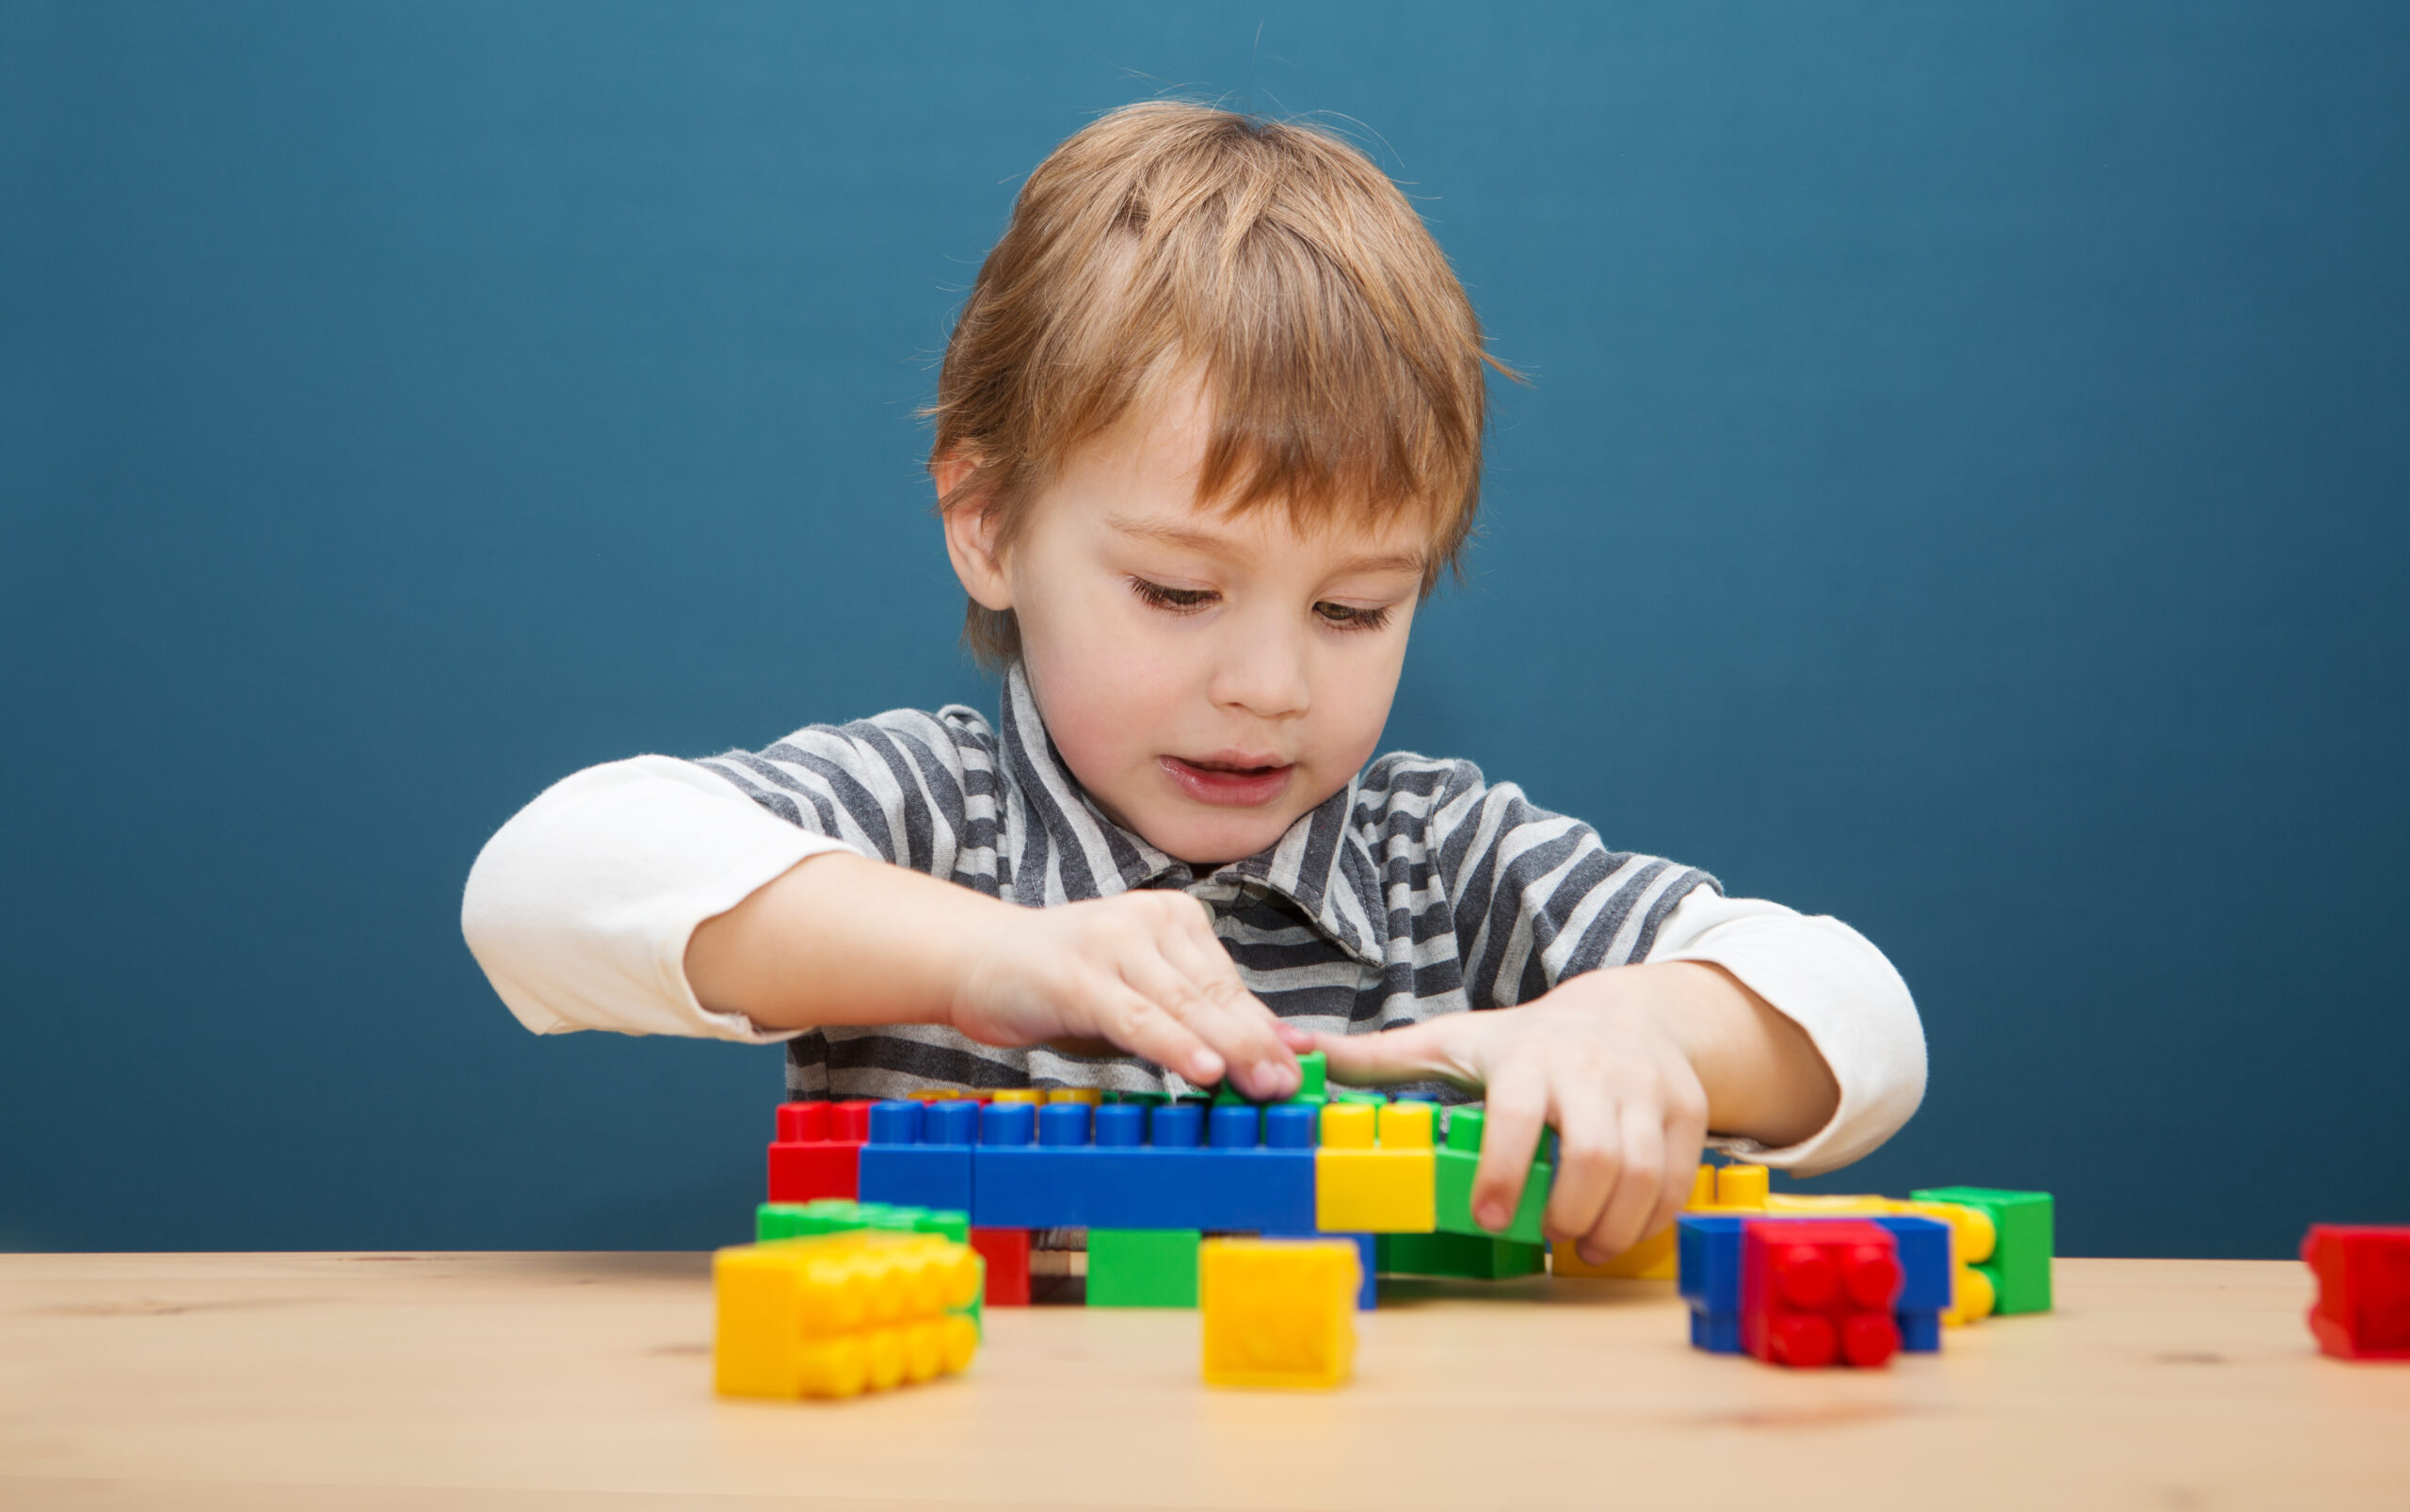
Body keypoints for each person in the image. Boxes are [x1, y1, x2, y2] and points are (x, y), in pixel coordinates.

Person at [461, 102, 1925, 1264]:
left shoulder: (1441, 861)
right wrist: (981, 955)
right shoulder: (929, 820)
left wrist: (1636, 1029)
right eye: (1177, 592)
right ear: (986, 525)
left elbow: (1863, 1021)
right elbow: (537, 886)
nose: (1273, 685)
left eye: (1356, 608)